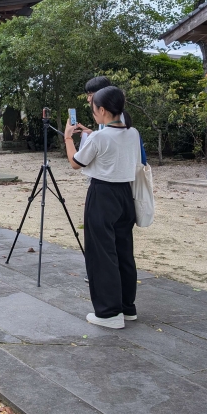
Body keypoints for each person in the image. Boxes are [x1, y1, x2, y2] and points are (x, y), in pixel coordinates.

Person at [64, 86, 141, 329]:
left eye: (94, 109)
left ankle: (109, 313)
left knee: (102, 254)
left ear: (103, 110)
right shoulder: (133, 132)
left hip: (102, 194)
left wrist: (68, 137)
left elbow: (76, 163)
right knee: (123, 251)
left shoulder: (99, 137)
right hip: (125, 195)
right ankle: (127, 307)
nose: (93, 113)